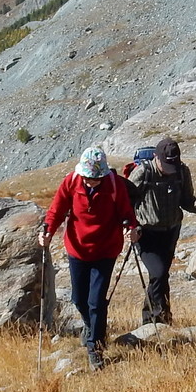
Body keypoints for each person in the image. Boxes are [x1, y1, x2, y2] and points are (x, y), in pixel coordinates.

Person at [41, 145, 139, 369]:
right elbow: (56, 210)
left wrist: (132, 228)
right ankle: (90, 325)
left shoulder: (114, 185)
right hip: (77, 249)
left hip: (106, 250)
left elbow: (127, 213)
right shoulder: (72, 181)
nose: (89, 182)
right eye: (87, 178)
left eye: (94, 179)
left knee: (96, 301)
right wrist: (47, 230)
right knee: (78, 299)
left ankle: (95, 346)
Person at [126, 136, 196, 324]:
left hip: (171, 231)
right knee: (158, 273)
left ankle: (158, 317)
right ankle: (157, 318)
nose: (169, 170)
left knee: (161, 275)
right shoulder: (143, 173)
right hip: (145, 233)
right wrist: (130, 227)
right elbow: (125, 202)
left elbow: (187, 201)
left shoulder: (181, 171)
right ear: (156, 157)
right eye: (166, 165)